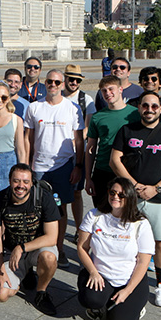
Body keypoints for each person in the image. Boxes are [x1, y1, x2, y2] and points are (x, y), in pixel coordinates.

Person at [110, 90, 161, 308]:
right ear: (139, 108)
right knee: (127, 240)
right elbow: (115, 160)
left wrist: (157, 188)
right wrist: (133, 186)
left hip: (160, 198)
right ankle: (130, 281)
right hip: (130, 197)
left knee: (160, 242)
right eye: (145, 105)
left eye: (154, 106)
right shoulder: (127, 130)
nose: (149, 110)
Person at [77, 178, 154, 320]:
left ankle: (135, 307)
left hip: (129, 280)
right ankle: (100, 304)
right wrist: (93, 272)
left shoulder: (140, 223)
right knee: (90, 299)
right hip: (101, 276)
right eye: (112, 192)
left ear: (130, 197)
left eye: (121, 195)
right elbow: (81, 247)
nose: (116, 197)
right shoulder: (95, 215)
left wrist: (127, 290)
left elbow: (143, 262)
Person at [25, 68, 84, 268]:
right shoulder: (34, 107)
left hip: (62, 166)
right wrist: (26, 164)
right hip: (39, 167)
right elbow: (29, 138)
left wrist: (79, 166)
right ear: (45, 82)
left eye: (57, 82)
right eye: (50, 81)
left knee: (60, 209)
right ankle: (37, 246)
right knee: (36, 208)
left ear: (63, 84)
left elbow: (79, 139)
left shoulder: (72, 108)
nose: (53, 85)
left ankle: (58, 249)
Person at [0, 164, 60, 315]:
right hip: (10, 250)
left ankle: (41, 293)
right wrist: (1, 270)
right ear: (9, 181)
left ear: (32, 183)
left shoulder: (43, 198)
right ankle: (23, 275)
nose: (21, 186)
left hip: (36, 248)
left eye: (25, 182)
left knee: (49, 258)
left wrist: (22, 248)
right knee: (0, 295)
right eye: (16, 181)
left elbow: (52, 238)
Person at [85, 75, 139, 207]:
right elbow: (91, 148)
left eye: (111, 89)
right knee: (102, 213)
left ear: (120, 89)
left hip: (128, 171)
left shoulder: (135, 114)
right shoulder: (98, 117)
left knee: (125, 214)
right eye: (104, 91)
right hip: (103, 170)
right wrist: (88, 178)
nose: (108, 93)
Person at [62, 64, 96, 233]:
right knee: (58, 196)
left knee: (76, 193)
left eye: (77, 80)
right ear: (64, 79)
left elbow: (88, 127)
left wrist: (76, 141)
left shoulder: (86, 99)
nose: (74, 83)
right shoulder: (57, 96)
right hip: (57, 153)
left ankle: (78, 229)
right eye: (71, 79)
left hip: (76, 152)